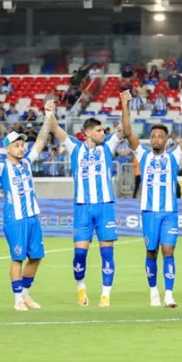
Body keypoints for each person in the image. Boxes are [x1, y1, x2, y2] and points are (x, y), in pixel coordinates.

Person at [118, 90, 182, 308]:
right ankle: (153, 292)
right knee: (151, 251)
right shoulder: (143, 155)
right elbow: (128, 131)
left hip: (169, 212)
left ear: (167, 140)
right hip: (149, 212)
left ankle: (169, 294)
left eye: (160, 136)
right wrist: (125, 105)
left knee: (168, 251)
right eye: (153, 136)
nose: (155, 139)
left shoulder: (174, 156)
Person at [0, 102, 52, 311]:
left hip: (32, 217)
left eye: (22, 145)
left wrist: (48, 116)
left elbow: (40, 141)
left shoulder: (27, 162)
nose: (21, 148)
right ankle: (17, 299)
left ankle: (26, 295)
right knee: (17, 258)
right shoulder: (3, 168)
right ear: (8, 148)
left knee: (36, 257)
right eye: (16, 145)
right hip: (16, 218)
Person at [50, 106, 121, 307]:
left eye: (104, 131)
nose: (103, 134)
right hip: (82, 208)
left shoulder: (108, 146)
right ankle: (81, 288)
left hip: (105, 207)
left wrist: (125, 105)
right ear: (87, 132)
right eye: (99, 131)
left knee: (107, 253)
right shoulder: (75, 147)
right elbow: (55, 128)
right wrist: (49, 112)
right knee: (80, 254)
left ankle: (106, 294)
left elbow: (124, 128)